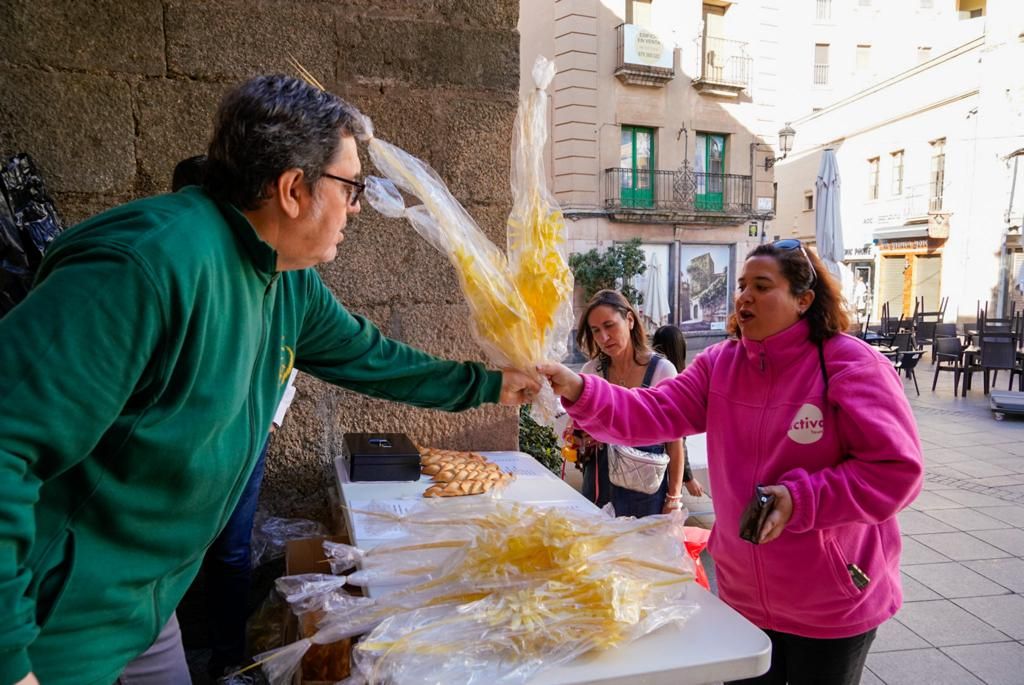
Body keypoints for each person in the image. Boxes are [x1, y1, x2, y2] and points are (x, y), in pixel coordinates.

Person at [0, 74, 538, 685]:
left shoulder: (286, 280)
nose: (357, 206)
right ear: (291, 190)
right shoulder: (144, 268)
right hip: (52, 626)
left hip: (146, 605)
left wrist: (491, 385)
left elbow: (371, 357)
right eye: (351, 187)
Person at [540, 241, 923, 685]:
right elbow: (651, 412)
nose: (744, 297)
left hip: (831, 599)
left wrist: (800, 500)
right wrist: (576, 388)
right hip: (743, 597)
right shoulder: (720, 364)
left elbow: (895, 471)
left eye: (762, 286)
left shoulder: (851, 365)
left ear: (804, 299)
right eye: (742, 286)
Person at [572, 289, 685, 517]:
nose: (604, 337)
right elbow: (577, 435)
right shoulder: (591, 372)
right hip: (599, 486)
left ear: (630, 320)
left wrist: (673, 498)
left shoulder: (662, 371)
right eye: (596, 331)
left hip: (646, 492)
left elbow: (675, 442)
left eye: (609, 325)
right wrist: (581, 437)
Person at [651, 325, 714, 529]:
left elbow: (679, 439)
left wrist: (684, 483)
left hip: (659, 465)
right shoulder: (674, 376)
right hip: (658, 465)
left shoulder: (672, 378)